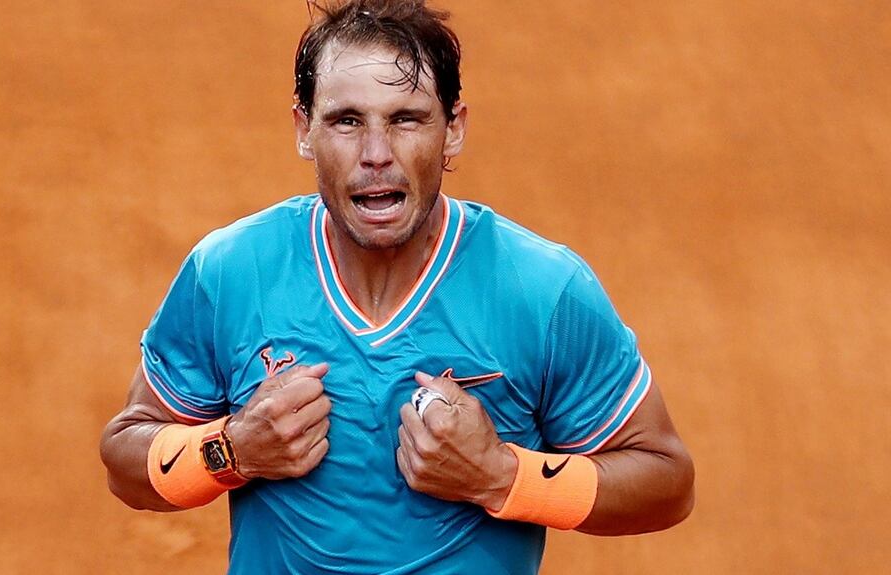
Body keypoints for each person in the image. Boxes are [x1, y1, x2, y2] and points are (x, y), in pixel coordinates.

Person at [99, 1, 695, 573]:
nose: (376, 155)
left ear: (453, 130)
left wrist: (500, 476)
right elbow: (125, 460)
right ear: (305, 131)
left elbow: (665, 483)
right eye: (347, 121)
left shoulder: (542, 289)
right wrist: (231, 450)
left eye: (406, 119)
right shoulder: (229, 271)